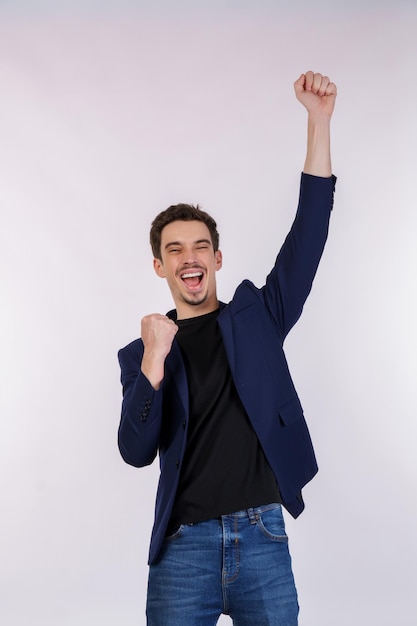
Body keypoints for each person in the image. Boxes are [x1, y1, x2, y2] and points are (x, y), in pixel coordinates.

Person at [117, 70, 337, 626]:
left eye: (200, 246)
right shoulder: (141, 354)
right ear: (160, 266)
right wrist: (153, 361)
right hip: (182, 551)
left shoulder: (258, 318)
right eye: (175, 250)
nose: (189, 258)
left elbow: (308, 235)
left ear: (216, 258)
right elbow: (136, 450)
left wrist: (318, 122)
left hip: (261, 537)